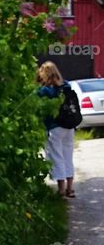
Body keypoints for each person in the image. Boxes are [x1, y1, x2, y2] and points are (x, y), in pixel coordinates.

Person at [37, 61, 75, 198]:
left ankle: (61, 190)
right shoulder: (66, 85)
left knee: (57, 157)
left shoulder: (44, 90)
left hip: (54, 127)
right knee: (68, 156)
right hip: (69, 126)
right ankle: (70, 188)